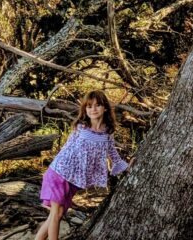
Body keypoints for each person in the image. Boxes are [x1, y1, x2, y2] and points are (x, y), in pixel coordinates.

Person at [35, 90, 129, 240]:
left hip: (74, 179)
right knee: (55, 213)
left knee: (58, 215)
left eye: (98, 105)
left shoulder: (107, 132)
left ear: (105, 108)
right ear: (85, 109)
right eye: (89, 106)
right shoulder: (81, 127)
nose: (93, 109)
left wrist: (125, 166)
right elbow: (66, 148)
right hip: (59, 173)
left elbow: (112, 152)